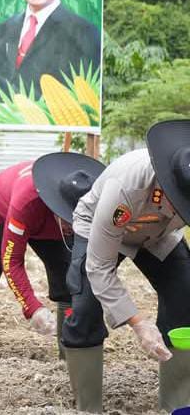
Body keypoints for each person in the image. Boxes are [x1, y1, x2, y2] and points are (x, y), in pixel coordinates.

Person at [62, 120, 190, 413]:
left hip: (160, 233)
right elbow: (99, 265)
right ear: (165, 182)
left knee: (185, 291)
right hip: (101, 227)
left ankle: (175, 403)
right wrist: (138, 322)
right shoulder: (126, 188)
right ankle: (88, 405)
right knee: (86, 307)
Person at [0, 153, 105, 364]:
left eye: (78, 220)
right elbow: (11, 260)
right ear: (58, 206)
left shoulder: (89, 202)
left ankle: (70, 354)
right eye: (68, 220)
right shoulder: (26, 202)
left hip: (47, 224)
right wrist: (32, 307)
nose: (72, 227)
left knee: (70, 278)